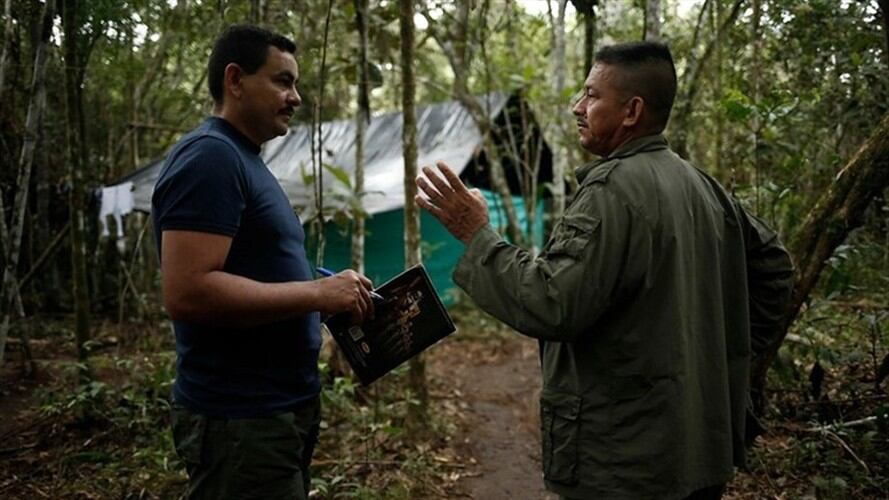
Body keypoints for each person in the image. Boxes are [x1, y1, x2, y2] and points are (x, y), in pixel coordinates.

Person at [415, 41, 794, 500]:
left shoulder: (612, 191)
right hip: (700, 451)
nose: (578, 106)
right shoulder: (702, 185)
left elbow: (550, 303)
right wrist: (726, 358)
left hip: (626, 462)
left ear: (631, 111)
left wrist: (476, 234)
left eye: (592, 96)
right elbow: (775, 266)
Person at [151, 25, 375, 499]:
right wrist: (315, 295)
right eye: (282, 81)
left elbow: (257, 266)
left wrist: (333, 287)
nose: (295, 97)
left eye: (295, 84)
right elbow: (187, 291)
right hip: (240, 419)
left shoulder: (245, 159)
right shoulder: (211, 157)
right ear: (235, 80)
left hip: (275, 411)